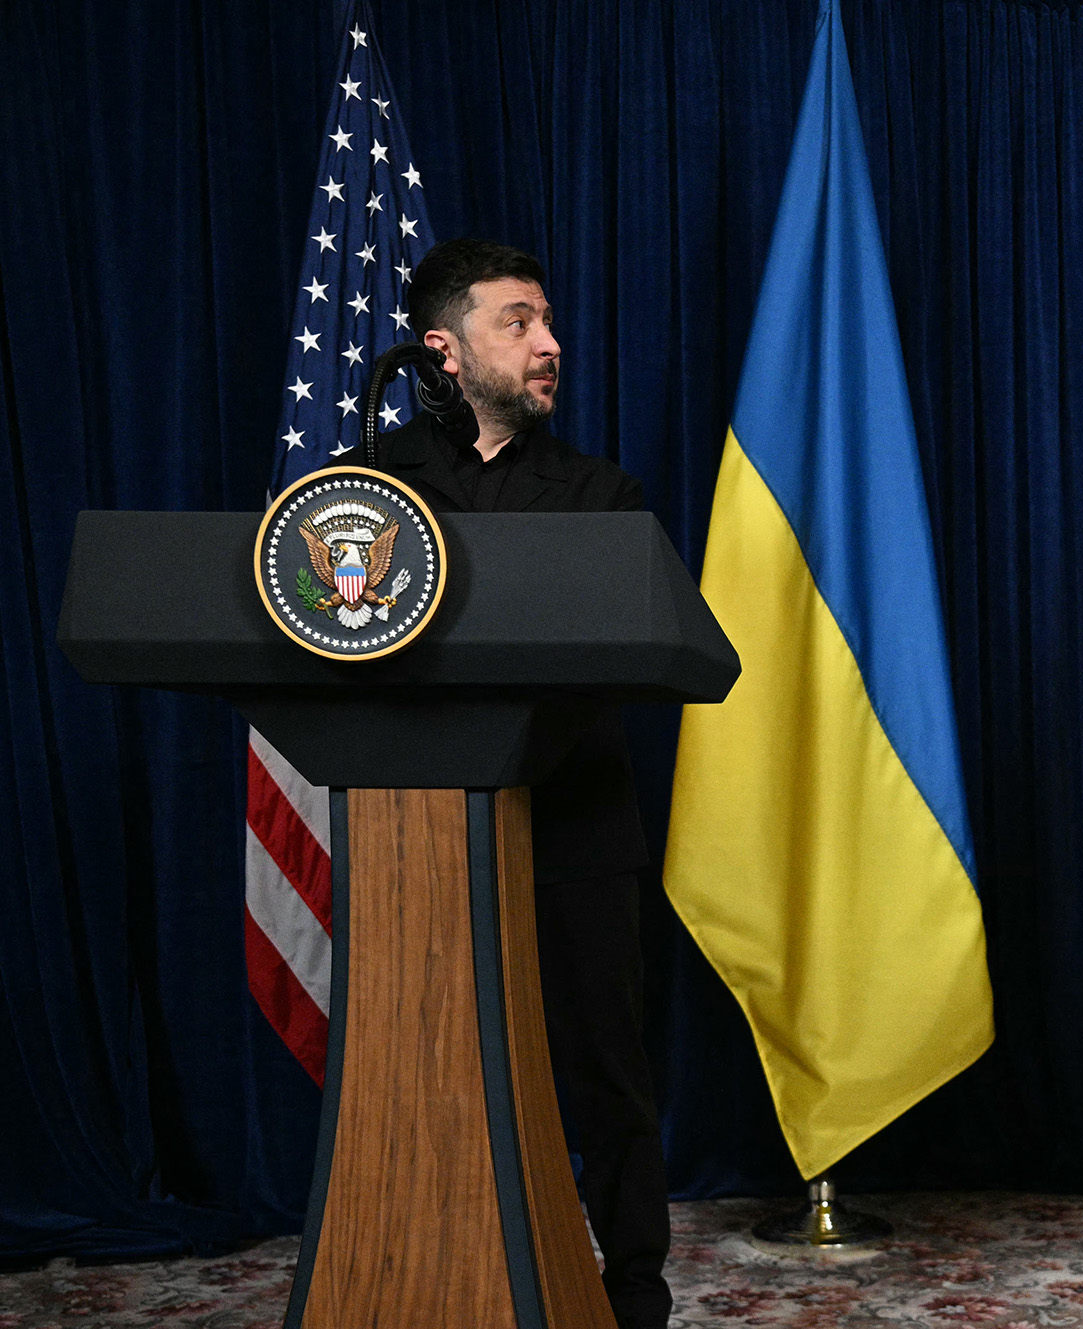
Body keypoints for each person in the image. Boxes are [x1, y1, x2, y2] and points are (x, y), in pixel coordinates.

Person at [374, 237, 672, 1329]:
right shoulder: (375, 490)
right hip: (415, 841)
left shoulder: (599, 495)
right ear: (442, 350)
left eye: (550, 322)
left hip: (572, 833)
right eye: (518, 322)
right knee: (423, 1073)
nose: (550, 345)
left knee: (604, 1074)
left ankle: (633, 1295)